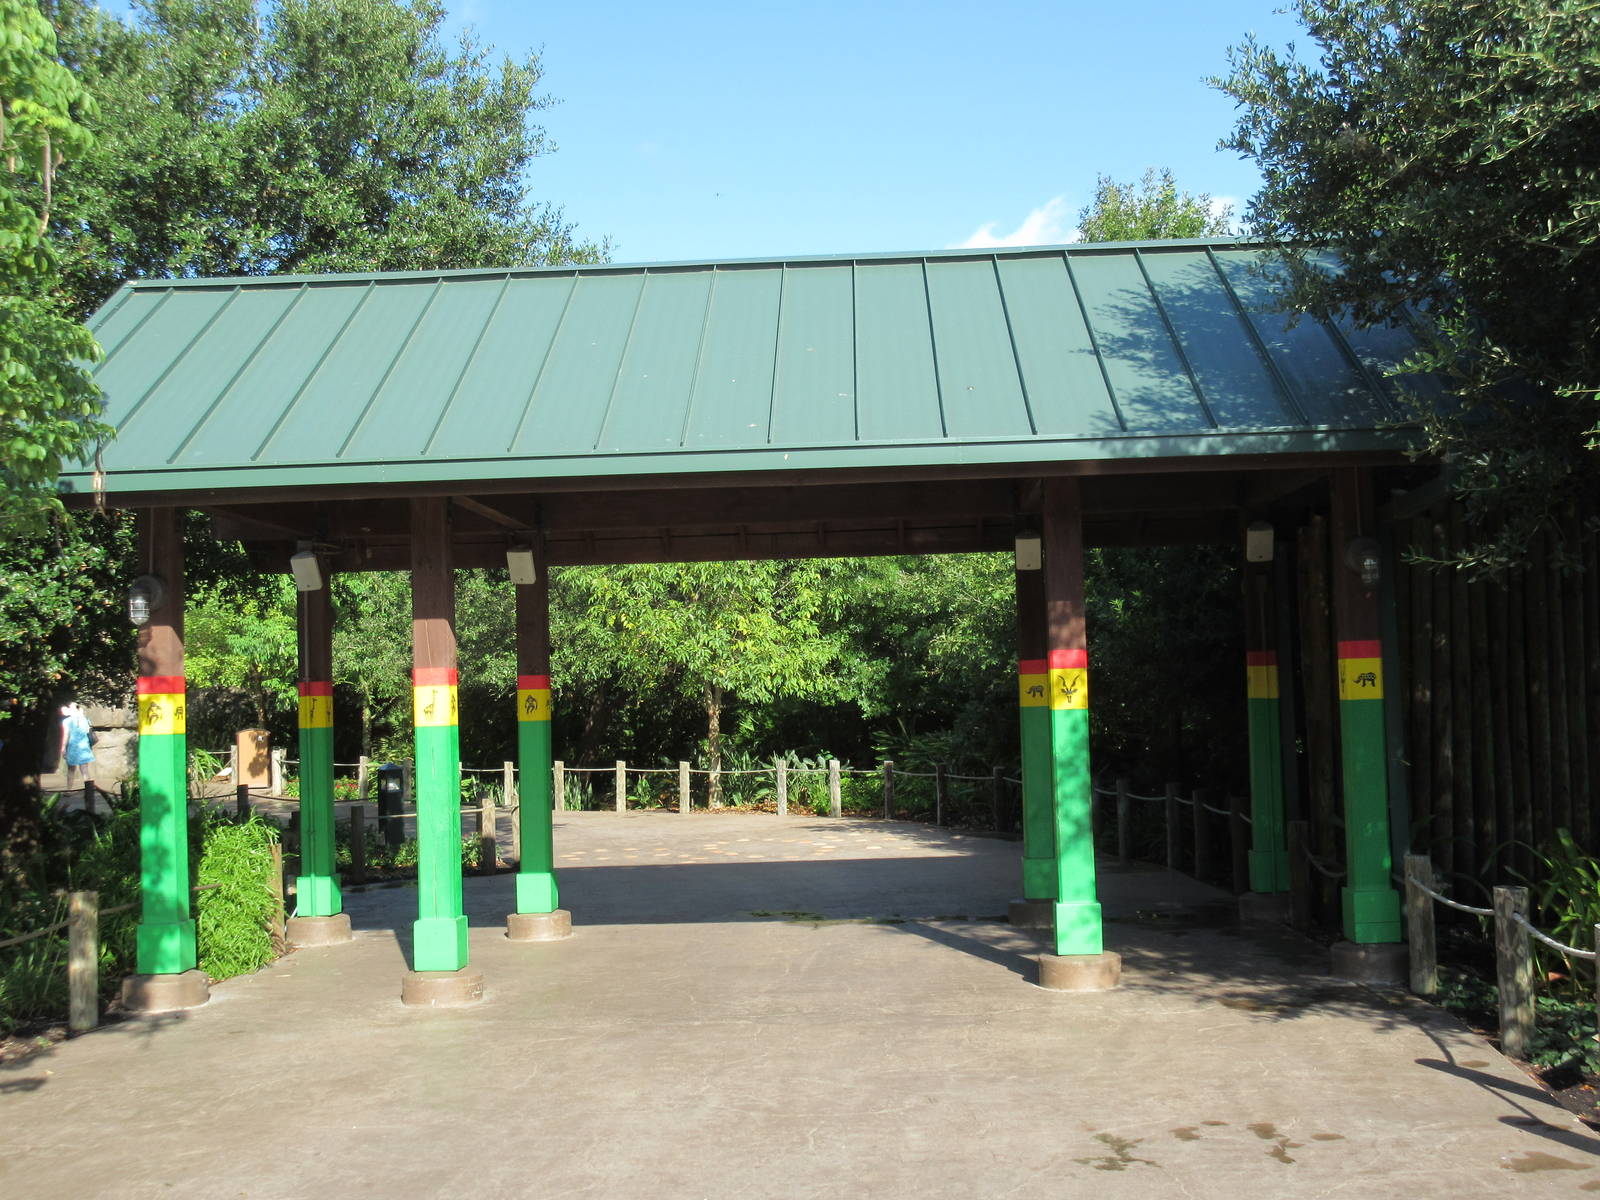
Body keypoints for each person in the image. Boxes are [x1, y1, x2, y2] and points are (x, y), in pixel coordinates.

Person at [59, 702, 95, 792]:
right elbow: (88, 732)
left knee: (71, 770)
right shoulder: (85, 720)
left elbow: (66, 735)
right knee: (85, 770)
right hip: (84, 746)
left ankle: (69, 790)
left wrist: (63, 747)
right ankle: (88, 790)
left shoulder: (66, 721)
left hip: (73, 747)